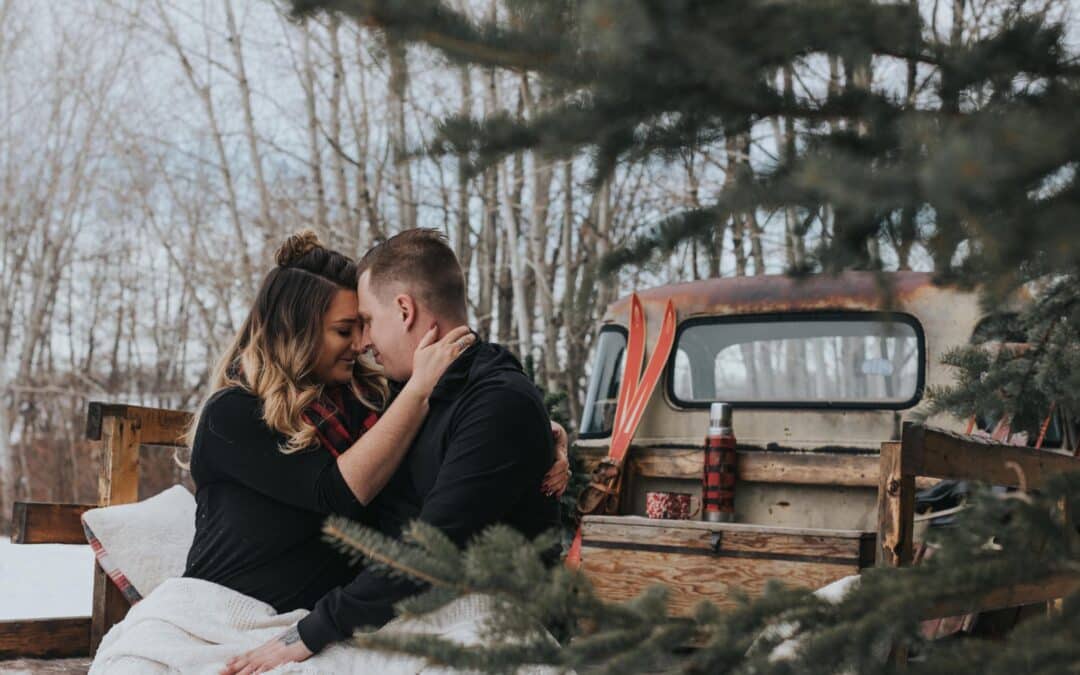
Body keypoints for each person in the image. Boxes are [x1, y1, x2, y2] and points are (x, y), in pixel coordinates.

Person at [224, 229, 564, 674]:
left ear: (404, 310)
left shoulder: (498, 403)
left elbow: (430, 549)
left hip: (479, 618)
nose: (363, 342)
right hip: (391, 611)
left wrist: (308, 634)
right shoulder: (411, 393)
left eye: (366, 320)